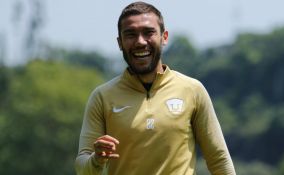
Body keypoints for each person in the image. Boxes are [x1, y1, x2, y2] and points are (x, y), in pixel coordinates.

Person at [75, 1, 236, 175]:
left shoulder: (192, 90)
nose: (140, 42)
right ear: (120, 42)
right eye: (130, 34)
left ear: (164, 37)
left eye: (148, 32)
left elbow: (219, 160)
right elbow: (82, 166)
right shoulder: (102, 97)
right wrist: (96, 160)